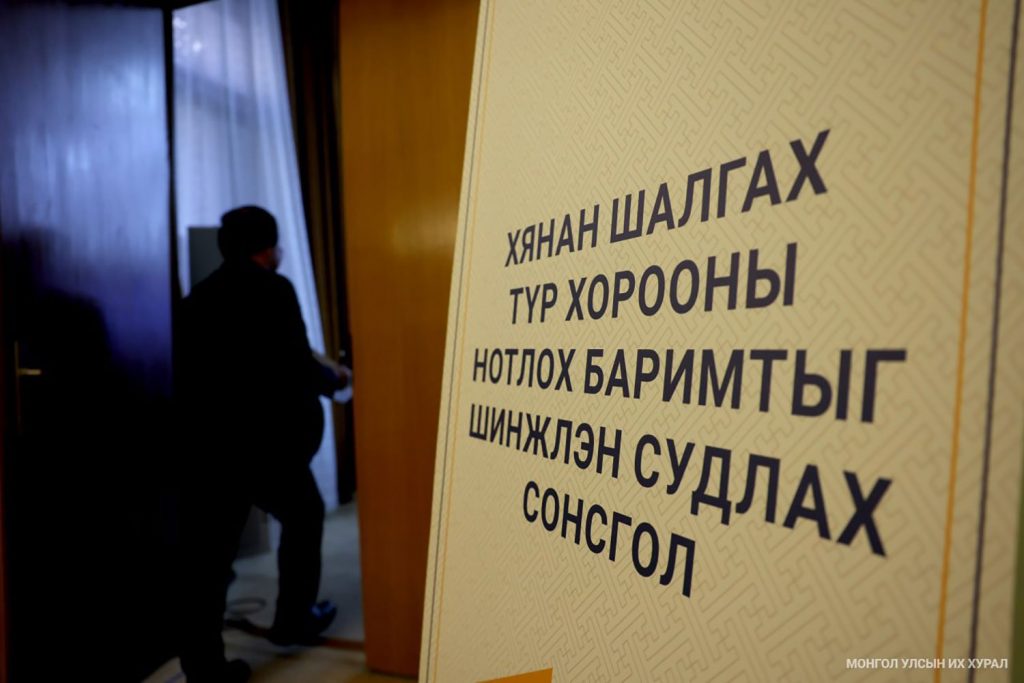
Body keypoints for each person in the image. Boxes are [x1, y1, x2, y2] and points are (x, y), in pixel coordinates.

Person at [177, 206, 349, 682]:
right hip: (270, 448)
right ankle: (292, 620)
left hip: (213, 450)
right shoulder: (276, 291)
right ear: (267, 247)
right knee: (305, 514)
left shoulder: (196, 300)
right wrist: (334, 380)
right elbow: (296, 364)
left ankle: (204, 668)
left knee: (210, 560)